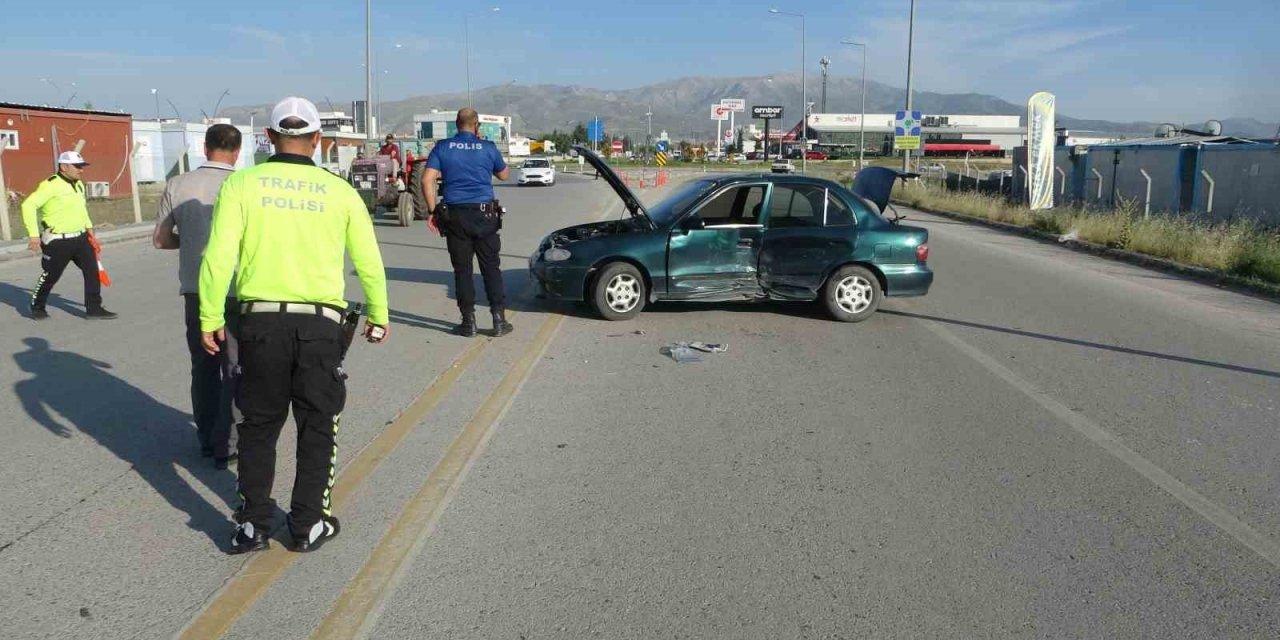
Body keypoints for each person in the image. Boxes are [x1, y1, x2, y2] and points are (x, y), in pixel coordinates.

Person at [199, 96, 390, 555]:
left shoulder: (243, 185)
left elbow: (218, 255)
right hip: (321, 328)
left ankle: (254, 524)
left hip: (260, 325)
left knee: (258, 426)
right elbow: (368, 261)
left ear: (268, 138)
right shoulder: (340, 191)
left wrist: (209, 316)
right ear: (318, 140)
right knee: (318, 425)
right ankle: (308, 524)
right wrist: (379, 315)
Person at [153, 124, 243, 469]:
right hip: (238, 290)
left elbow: (161, 239)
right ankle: (230, 441)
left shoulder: (178, 184)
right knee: (236, 367)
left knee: (204, 366)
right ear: (236, 152)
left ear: (204, 149)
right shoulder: (244, 184)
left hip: (196, 290)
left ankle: (207, 439)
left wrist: (189, 244)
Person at [422, 108, 512, 338]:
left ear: (456, 124)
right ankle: (499, 320)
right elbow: (504, 175)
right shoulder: (488, 147)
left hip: (455, 217)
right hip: (485, 216)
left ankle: (468, 322)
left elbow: (427, 179)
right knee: (491, 268)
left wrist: (433, 211)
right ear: (477, 126)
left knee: (462, 270)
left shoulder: (443, 147)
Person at [21, 151, 117, 320]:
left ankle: (94, 308)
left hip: (80, 238)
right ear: (64, 167)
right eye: (77, 166)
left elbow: (81, 208)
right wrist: (34, 235)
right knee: (51, 275)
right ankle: (37, 306)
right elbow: (28, 206)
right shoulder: (50, 185)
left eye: (82, 166)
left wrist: (89, 227)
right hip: (58, 240)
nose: (81, 170)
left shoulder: (78, 184)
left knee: (92, 271)